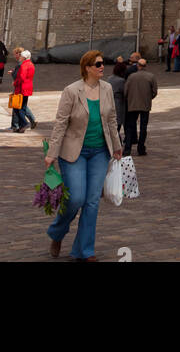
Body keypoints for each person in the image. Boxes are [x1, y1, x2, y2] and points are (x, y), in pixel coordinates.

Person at [44, 50, 122, 262]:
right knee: (76, 198)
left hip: (99, 151)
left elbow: (112, 119)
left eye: (102, 63)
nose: (101, 67)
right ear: (87, 68)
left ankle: (84, 250)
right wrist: (52, 153)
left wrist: (116, 144)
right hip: (74, 152)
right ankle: (57, 233)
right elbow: (61, 123)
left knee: (92, 201)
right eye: (97, 64)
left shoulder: (107, 88)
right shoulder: (71, 91)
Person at [123, 55, 158, 156]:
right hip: (145, 104)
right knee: (143, 127)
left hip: (133, 104)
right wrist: (148, 98)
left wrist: (129, 99)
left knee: (130, 126)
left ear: (138, 65)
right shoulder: (151, 76)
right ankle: (141, 148)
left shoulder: (131, 76)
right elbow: (154, 92)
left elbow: (125, 91)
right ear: (145, 66)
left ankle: (127, 148)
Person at [11, 49, 36, 132]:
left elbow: (21, 77)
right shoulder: (31, 64)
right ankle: (22, 126)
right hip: (28, 88)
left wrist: (15, 83)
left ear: (24, 58)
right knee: (23, 107)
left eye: (21, 56)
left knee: (19, 108)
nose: (20, 57)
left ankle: (25, 123)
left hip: (22, 88)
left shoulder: (24, 65)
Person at [107, 62, 127, 142]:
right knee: (117, 125)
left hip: (109, 102)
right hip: (118, 103)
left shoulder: (109, 78)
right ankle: (117, 143)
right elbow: (125, 92)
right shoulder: (121, 81)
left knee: (113, 125)